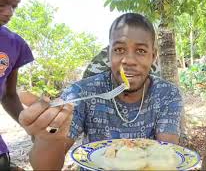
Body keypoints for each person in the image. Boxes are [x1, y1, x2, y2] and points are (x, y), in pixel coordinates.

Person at [19, 13, 183, 170]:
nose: (129, 61)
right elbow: (46, 168)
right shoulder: (81, 93)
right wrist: (48, 139)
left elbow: (166, 158)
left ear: (153, 56)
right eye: (119, 50)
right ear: (109, 54)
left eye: (141, 51)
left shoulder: (167, 94)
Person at [0, 0, 34, 170]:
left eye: (14, 6)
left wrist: (30, 127)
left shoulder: (14, 44)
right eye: (1, 4)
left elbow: (9, 95)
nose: (9, 13)